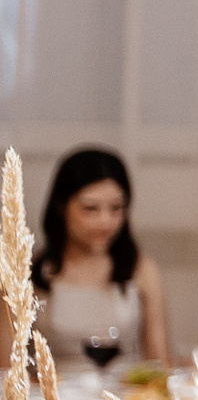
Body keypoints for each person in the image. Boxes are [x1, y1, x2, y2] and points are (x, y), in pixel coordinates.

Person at [18, 147, 170, 368]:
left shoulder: (141, 268)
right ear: (61, 206)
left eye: (116, 208)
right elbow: (8, 369)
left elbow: (159, 363)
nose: (105, 221)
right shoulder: (29, 272)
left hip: (125, 388)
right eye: (90, 208)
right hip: (53, 388)